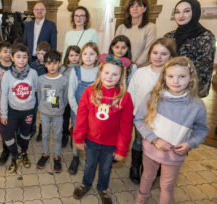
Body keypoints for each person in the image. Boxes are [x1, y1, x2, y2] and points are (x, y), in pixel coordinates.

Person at [135, 56, 209, 204]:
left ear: (191, 78)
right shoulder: (153, 97)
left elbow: (202, 129)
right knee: (147, 176)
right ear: (164, 77)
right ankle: (141, 198)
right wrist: (154, 139)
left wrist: (190, 144)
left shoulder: (196, 105)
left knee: (167, 186)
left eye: (182, 76)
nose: (175, 81)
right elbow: (139, 120)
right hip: (151, 149)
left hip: (174, 155)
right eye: (170, 76)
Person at [72, 56, 134, 204]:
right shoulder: (90, 91)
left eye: (115, 74)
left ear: (121, 76)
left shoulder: (125, 97)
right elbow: (81, 117)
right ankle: (86, 184)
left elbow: (126, 125)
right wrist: (79, 138)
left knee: (106, 169)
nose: (110, 77)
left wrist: (121, 149)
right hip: (91, 140)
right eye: (107, 73)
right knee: (89, 165)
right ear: (100, 72)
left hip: (110, 143)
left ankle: (103, 188)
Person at [127, 38, 177, 185]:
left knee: (158, 142)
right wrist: (130, 113)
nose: (158, 56)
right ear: (150, 54)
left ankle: (155, 166)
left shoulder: (171, 76)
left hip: (161, 119)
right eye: (155, 52)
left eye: (163, 54)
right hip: (140, 117)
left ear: (171, 56)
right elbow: (131, 92)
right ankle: (135, 166)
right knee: (138, 141)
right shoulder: (140, 72)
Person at [165, 0, 216, 98]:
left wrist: (186, 90)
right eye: (177, 12)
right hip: (168, 85)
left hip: (190, 90)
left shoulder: (205, 37)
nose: (181, 15)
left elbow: (204, 69)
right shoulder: (169, 36)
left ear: (195, 12)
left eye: (187, 11)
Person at [0, 43, 38, 173]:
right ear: (12, 57)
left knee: (25, 134)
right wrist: (4, 114)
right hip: (13, 111)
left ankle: (24, 153)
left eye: (24, 57)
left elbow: (36, 90)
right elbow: (4, 95)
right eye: (18, 56)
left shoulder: (33, 73)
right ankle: (15, 156)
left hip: (28, 110)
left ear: (28, 58)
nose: (21, 60)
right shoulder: (7, 75)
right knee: (7, 135)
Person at [68, 42, 100, 175]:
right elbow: (71, 94)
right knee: (77, 132)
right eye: (85, 53)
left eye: (92, 54)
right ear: (81, 55)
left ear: (97, 56)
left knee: (92, 134)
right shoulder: (75, 71)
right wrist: (78, 112)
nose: (88, 57)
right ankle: (75, 157)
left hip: (94, 112)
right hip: (77, 111)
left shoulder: (100, 71)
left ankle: (90, 158)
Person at [36, 50, 68, 173]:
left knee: (57, 136)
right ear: (45, 64)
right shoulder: (40, 79)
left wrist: (61, 108)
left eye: (55, 63)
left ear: (59, 63)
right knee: (45, 135)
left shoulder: (64, 80)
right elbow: (39, 95)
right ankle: (45, 154)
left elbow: (64, 98)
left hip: (58, 115)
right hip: (44, 113)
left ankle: (57, 156)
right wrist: (42, 107)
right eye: (49, 63)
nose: (52, 66)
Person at [115, 0, 156, 67]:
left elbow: (149, 49)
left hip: (139, 67)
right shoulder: (121, 27)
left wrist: (135, 65)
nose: (135, 8)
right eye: (132, 6)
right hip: (121, 66)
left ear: (145, 9)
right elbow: (116, 47)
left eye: (138, 6)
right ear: (129, 10)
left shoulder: (150, 27)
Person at [60, 45, 81, 148]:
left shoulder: (81, 69)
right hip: (64, 101)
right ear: (67, 56)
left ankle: (74, 137)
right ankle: (65, 135)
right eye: (71, 55)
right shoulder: (62, 69)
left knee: (75, 121)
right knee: (64, 121)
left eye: (76, 55)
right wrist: (55, 104)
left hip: (76, 102)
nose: (74, 57)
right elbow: (57, 86)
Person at [30, 41, 51, 141]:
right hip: (35, 92)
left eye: (43, 53)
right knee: (33, 111)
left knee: (45, 113)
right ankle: (32, 128)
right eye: (38, 53)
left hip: (47, 92)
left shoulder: (51, 65)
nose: (40, 56)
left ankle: (42, 130)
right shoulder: (33, 65)